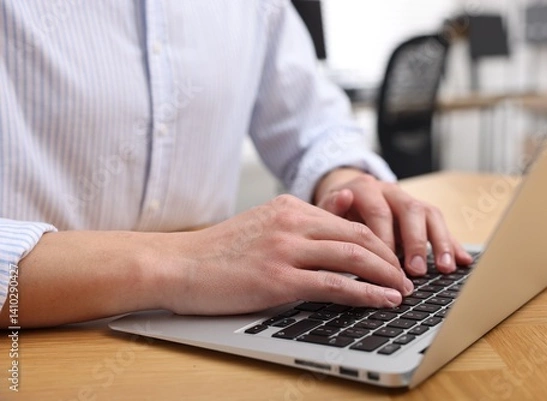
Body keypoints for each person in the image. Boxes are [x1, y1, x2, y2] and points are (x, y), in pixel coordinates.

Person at [0, 0, 472, 329]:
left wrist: (346, 179)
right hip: (35, 342)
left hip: (203, 329)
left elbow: (314, 126)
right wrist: (184, 262)